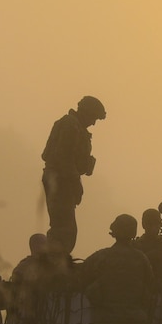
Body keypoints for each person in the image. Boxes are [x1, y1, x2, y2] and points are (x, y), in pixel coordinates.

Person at [41, 95, 106, 255]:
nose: (93, 123)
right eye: (93, 118)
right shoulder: (71, 126)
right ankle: (55, 262)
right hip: (61, 181)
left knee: (64, 227)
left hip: (59, 180)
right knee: (64, 229)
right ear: (86, 112)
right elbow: (65, 159)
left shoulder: (71, 125)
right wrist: (76, 183)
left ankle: (56, 260)